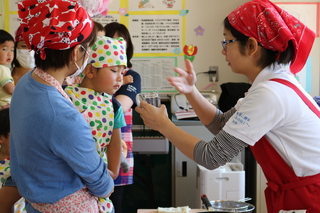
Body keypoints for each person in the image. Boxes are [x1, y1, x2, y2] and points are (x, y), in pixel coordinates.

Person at [136, 0, 320, 212]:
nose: (223, 51)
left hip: (310, 195)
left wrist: (164, 125)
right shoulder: (273, 84)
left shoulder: (270, 93)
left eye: (227, 41)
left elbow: (211, 156)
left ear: (251, 46)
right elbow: (222, 124)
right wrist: (192, 91)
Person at [10, 0, 114, 212]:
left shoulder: (26, 83)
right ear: (76, 53)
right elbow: (100, 183)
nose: (89, 55)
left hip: (34, 202)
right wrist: (107, 184)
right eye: (89, 49)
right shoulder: (61, 115)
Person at [64, 36, 128, 212]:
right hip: (66, 180)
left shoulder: (114, 106)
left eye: (122, 72)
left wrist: (113, 173)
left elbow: (115, 143)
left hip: (98, 180)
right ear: (90, 70)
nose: (120, 79)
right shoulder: (66, 97)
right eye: (114, 71)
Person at [104, 22, 141, 213]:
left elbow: (117, 107)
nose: (117, 46)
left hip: (120, 151)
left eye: (122, 42)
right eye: (111, 41)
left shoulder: (131, 76)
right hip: (91, 154)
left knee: (115, 206)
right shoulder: (91, 72)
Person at [0, 30, 15, 109]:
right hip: (5, 106)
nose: (9, 53)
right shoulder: (2, 69)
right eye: (4, 49)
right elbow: (10, 89)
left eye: (12, 50)